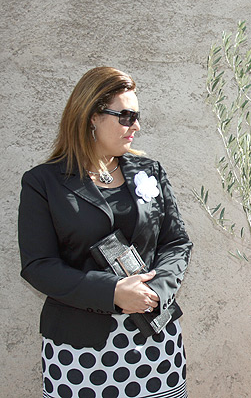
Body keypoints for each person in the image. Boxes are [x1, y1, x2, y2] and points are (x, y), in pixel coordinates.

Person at [18, 67, 192, 398]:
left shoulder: (149, 171)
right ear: (92, 116)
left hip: (155, 343)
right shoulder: (43, 183)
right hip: (80, 354)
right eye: (126, 116)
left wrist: (156, 290)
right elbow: (38, 265)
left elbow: (176, 243)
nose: (136, 126)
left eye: (137, 116)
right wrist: (110, 291)